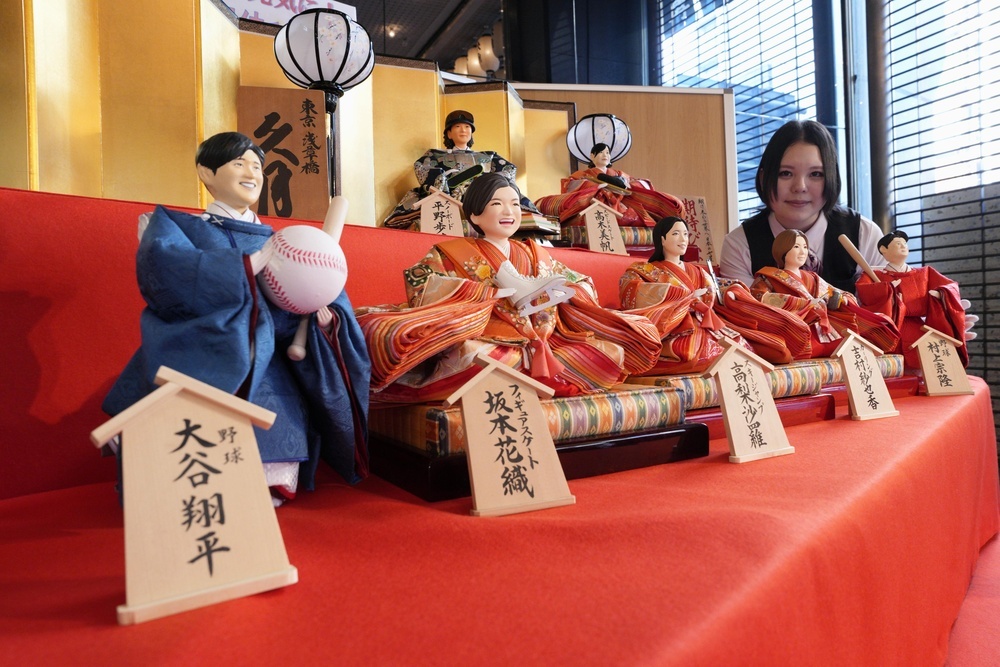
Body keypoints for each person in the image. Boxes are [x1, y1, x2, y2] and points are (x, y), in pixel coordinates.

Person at [103, 132, 371, 504]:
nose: (251, 173)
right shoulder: (186, 231)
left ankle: (261, 487)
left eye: (257, 166)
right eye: (239, 163)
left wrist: (324, 321)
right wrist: (241, 268)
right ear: (206, 172)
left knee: (277, 415)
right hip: (208, 352)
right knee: (189, 428)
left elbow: (308, 306)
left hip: (271, 361)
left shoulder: (285, 242)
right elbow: (168, 274)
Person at [356, 172, 662, 401]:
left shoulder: (534, 252)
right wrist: (483, 293)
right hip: (488, 340)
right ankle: (530, 377)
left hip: (544, 340)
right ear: (474, 213)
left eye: (515, 204)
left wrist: (562, 294)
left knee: (608, 352)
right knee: (471, 354)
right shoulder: (450, 252)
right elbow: (421, 284)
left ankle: (530, 375)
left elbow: (580, 282)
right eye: (497, 204)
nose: (509, 212)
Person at [620, 216, 811, 372]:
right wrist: (682, 298)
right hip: (675, 324)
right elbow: (632, 289)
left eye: (685, 234)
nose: (683, 239)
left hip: (705, 320)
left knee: (746, 346)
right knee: (690, 352)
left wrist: (732, 289)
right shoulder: (645, 270)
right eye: (676, 234)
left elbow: (714, 287)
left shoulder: (695, 269)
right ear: (662, 239)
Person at [720, 120, 885, 293]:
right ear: (763, 179)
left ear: (832, 178)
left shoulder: (864, 235)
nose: (800, 187)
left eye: (816, 174)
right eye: (785, 173)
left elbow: (884, 301)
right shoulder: (740, 246)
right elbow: (745, 308)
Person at [382, 109, 548, 231]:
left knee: (511, 200)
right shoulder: (435, 155)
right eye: (458, 127)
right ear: (449, 133)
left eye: (467, 127)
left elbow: (507, 169)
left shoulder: (488, 156)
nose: (463, 130)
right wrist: (444, 182)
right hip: (449, 192)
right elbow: (422, 167)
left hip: (483, 193)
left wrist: (490, 185)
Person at [750, 229, 899, 358]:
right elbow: (757, 298)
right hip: (795, 329)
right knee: (800, 346)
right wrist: (801, 304)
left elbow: (839, 293)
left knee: (857, 338)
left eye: (805, 247)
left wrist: (841, 299)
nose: (802, 252)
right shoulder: (768, 277)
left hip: (823, 329)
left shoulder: (812, 277)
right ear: (782, 249)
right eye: (796, 247)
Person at [855, 230, 973, 368]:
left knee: (926, 363)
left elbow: (949, 286)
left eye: (904, 243)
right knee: (887, 366)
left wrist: (941, 295)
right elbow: (864, 290)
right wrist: (887, 288)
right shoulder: (873, 275)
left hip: (919, 328)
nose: (903, 246)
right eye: (898, 243)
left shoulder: (925, 273)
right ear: (883, 249)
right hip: (889, 328)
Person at [535, 143, 686, 228]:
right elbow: (571, 186)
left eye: (607, 153)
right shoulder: (583, 175)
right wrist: (596, 187)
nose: (605, 155)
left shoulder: (618, 173)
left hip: (622, 203)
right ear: (592, 156)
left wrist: (625, 184)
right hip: (594, 203)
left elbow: (635, 183)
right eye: (601, 153)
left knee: (644, 208)